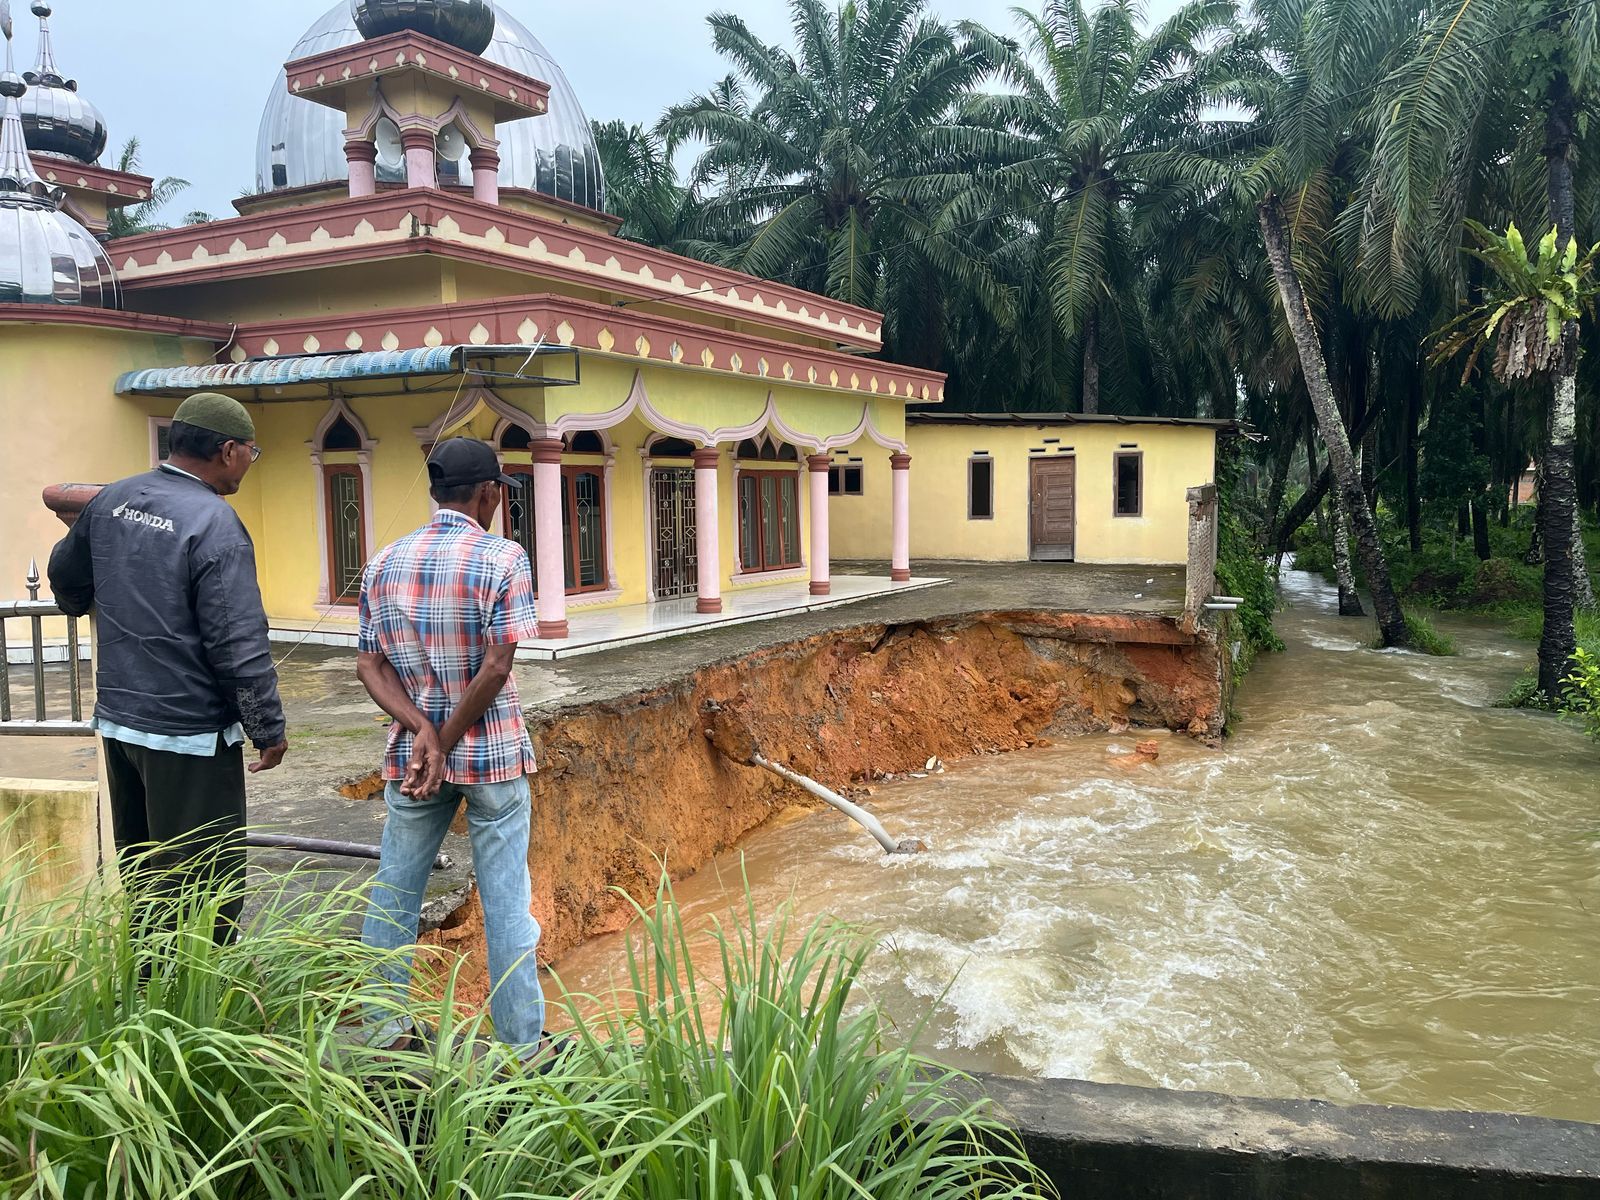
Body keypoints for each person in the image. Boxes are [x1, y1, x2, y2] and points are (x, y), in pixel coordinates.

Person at [47, 391, 288, 939]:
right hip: (189, 738)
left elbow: (66, 581)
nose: (251, 461)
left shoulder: (112, 500)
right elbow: (237, 644)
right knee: (206, 892)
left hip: (121, 723)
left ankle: (144, 996)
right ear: (228, 451)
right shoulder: (214, 522)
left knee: (143, 877)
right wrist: (267, 728)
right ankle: (193, 1011)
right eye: (253, 451)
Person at [356, 437, 545, 1049]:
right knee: (507, 902)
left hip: (413, 759)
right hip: (490, 754)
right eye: (498, 494)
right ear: (488, 493)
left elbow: (370, 668)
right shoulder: (502, 558)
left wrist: (424, 732)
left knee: (394, 890)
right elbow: (496, 667)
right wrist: (448, 739)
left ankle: (384, 1031)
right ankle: (521, 1042)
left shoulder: (384, 560)